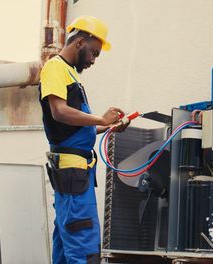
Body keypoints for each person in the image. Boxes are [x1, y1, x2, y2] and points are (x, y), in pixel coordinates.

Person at [39, 16, 128, 264]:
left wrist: (107, 126)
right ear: (80, 42)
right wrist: (100, 119)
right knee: (83, 243)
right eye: (93, 53)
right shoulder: (55, 67)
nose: (93, 60)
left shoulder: (69, 73)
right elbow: (60, 112)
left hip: (75, 173)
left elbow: (73, 132)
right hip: (73, 173)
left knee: (66, 243)